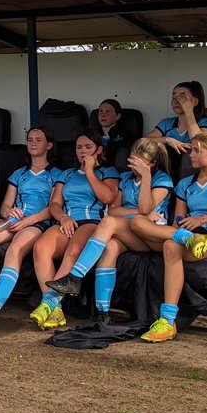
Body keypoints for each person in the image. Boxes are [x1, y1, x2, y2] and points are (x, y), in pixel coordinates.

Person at [132, 130, 207, 342]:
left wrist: (203, 220)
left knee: (169, 245)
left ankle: (167, 321)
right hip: (186, 234)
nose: (191, 155)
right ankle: (167, 322)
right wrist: (179, 229)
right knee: (138, 222)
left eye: (196, 150)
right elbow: (178, 218)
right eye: (191, 150)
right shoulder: (185, 183)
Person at [44, 137, 173, 323]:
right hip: (130, 232)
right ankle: (102, 313)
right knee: (110, 246)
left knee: (108, 223)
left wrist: (146, 177)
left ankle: (75, 277)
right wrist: (135, 213)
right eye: (131, 159)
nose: (132, 165)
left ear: (151, 163)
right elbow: (114, 209)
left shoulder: (162, 179)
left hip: (152, 236)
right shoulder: (126, 178)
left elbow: (146, 207)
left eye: (138, 162)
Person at [0, 128, 57, 329]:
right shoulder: (19, 173)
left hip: (37, 223)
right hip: (14, 220)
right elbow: (5, 204)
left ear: (49, 145)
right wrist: (9, 213)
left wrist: (29, 220)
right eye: (30, 139)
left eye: (38, 140)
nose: (33, 143)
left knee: (15, 248)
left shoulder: (56, 174)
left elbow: (53, 208)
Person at [29, 130, 120, 330]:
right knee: (41, 248)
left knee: (74, 251)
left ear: (99, 150)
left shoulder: (108, 172)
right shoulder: (67, 173)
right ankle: (55, 309)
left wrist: (89, 171)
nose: (82, 151)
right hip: (67, 220)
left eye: (88, 147)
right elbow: (54, 204)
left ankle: (48, 303)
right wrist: (63, 217)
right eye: (79, 147)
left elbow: (107, 198)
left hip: (92, 222)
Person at [147, 81, 207, 155]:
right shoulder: (167, 123)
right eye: (174, 97)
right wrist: (167, 140)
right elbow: (144, 141)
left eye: (182, 97)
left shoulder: (204, 123)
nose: (176, 101)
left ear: (195, 101)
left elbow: (201, 144)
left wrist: (189, 112)